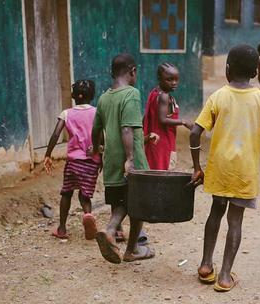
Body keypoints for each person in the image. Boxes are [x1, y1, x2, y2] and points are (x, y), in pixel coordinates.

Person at [189, 44, 260, 292]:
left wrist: (197, 166)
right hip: (244, 173)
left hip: (220, 168)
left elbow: (196, 132)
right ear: (254, 72)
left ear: (227, 69)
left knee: (215, 212)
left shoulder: (218, 96)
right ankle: (225, 276)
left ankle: (206, 265)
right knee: (235, 222)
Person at [91, 53, 155, 264]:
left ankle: (110, 231)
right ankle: (132, 249)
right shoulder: (132, 94)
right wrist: (130, 158)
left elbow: (96, 130)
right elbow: (127, 128)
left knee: (122, 201)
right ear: (132, 71)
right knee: (139, 203)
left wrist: (98, 151)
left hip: (110, 159)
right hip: (131, 158)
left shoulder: (103, 98)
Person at [44, 80, 100, 240]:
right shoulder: (97, 112)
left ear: (74, 96)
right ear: (92, 96)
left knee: (67, 192)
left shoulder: (66, 113)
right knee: (84, 195)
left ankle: (62, 229)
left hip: (73, 162)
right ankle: (88, 215)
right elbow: (102, 134)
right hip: (91, 161)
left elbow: (55, 135)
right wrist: (99, 152)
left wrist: (48, 154)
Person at [143, 63, 193, 170]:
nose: (174, 83)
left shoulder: (155, 92)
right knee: (163, 170)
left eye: (176, 79)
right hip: (163, 144)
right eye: (169, 80)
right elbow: (162, 119)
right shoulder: (164, 96)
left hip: (154, 143)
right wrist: (183, 122)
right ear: (159, 78)